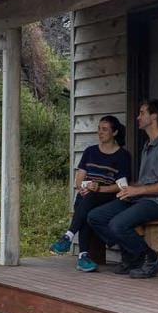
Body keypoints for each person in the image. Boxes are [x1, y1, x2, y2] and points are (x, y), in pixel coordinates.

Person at [87, 99, 158, 279]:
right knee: (95, 217)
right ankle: (132, 256)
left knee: (117, 224)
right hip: (142, 198)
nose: (138, 117)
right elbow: (146, 181)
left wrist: (138, 191)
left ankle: (151, 258)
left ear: (153, 116)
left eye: (142, 113)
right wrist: (128, 187)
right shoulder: (148, 145)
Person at [50, 116, 132, 272]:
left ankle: (69, 237)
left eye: (105, 129)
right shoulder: (90, 152)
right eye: (99, 129)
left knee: (88, 200)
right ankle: (82, 257)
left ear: (114, 132)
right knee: (87, 200)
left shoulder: (123, 156)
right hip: (88, 195)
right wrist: (84, 186)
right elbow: (79, 180)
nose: (100, 133)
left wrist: (98, 188)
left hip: (108, 197)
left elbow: (121, 186)